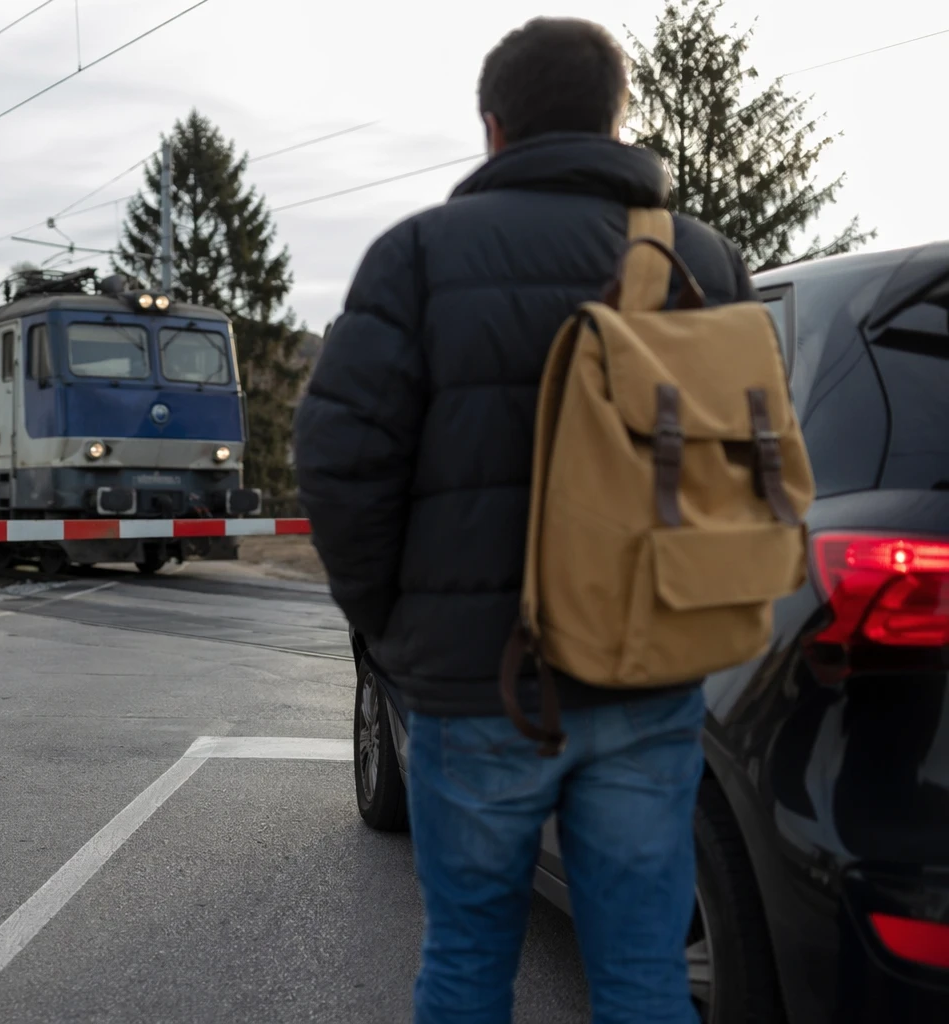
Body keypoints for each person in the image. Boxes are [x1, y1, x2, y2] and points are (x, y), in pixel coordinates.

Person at [294, 16, 758, 1024]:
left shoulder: (416, 257)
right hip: (650, 672)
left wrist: (394, 627)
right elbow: (746, 467)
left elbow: (338, 464)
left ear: (494, 129)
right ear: (615, 118)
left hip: (479, 684)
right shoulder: (705, 264)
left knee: (468, 963)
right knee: (642, 974)